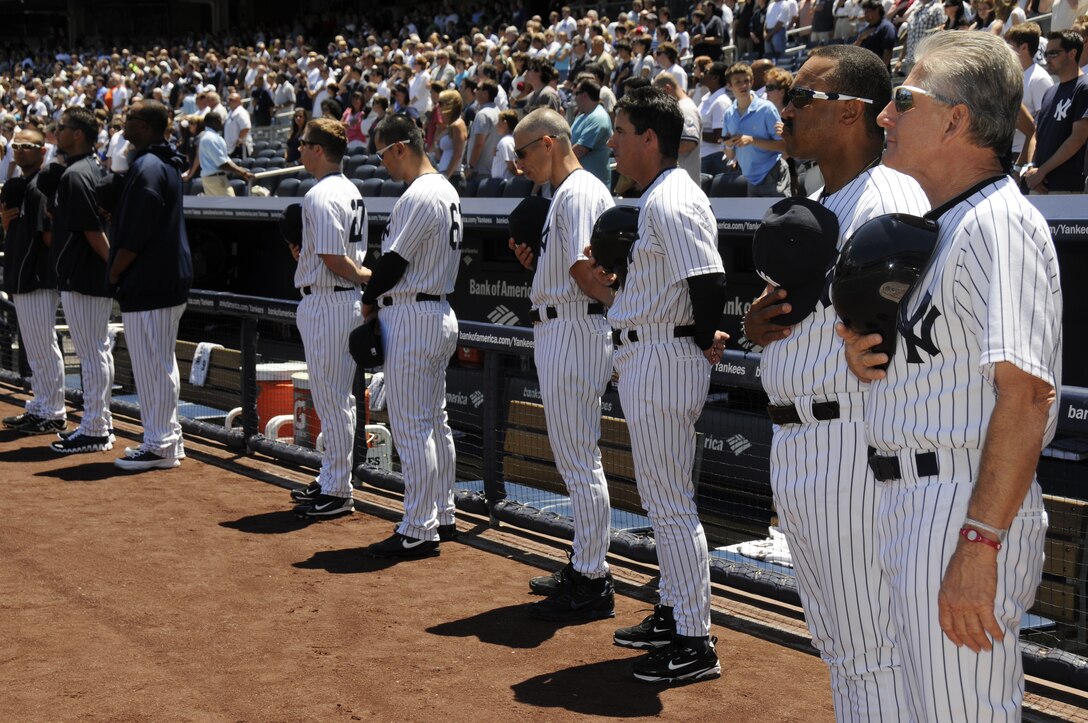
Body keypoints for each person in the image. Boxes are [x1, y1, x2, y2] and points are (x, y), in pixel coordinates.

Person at [839, 31, 1062, 720]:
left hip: (958, 504)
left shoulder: (1000, 223)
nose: (885, 114)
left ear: (957, 119)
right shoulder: (947, 225)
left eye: (903, 100)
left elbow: (1025, 395)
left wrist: (979, 543)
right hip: (913, 497)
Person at [742, 44, 929, 720]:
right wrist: (755, 325)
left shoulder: (889, 198)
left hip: (851, 439)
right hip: (802, 442)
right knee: (839, 643)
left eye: (801, 97)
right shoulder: (822, 200)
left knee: (870, 646)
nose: (785, 108)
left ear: (852, 112)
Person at [596, 86, 729, 684]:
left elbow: (709, 285)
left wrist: (701, 337)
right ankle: (675, 611)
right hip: (652, 352)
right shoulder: (660, 197)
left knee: (672, 507)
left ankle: (695, 638)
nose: (613, 143)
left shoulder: (672, 199)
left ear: (652, 138)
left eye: (621, 131)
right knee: (663, 504)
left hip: (663, 355)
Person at [505, 108, 617, 621]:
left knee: (579, 460)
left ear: (548, 143)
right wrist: (540, 268)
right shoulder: (569, 194)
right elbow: (571, 266)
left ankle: (593, 576)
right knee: (576, 458)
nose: (518, 163)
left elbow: (585, 272)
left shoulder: (576, 190)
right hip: (566, 323)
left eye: (523, 152)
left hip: (574, 326)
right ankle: (585, 563)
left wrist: (623, 315)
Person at [363, 114, 462, 558]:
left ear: (401, 147)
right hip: (433, 309)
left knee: (412, 424)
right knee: (434, 421)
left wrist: (367, 298)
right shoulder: (444, 188)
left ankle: (419, 527)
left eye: (382, 153)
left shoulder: (421, 192)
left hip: (412, 314)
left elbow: (392, 264)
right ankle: (442, 513)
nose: (382, 162)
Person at [287, 118, 371, 517]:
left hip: (329, 301)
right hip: (336, 299)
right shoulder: (350, 189)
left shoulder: (320, 194)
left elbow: (334, 258)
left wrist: (362, 275)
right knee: (336, 397)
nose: (299, 150)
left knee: (332, 398)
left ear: (319, 150)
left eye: (304, 144)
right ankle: (331, 477)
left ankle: (338, 489)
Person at [106, 100, 193, 470]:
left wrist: (114, 271)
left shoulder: (149, 165)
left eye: (129, 119)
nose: (123, 124)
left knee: (154, 365)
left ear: (143, 126)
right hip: (162, 277)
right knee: (159, 363)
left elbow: (137, 232)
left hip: (151, 278)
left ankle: (160, 444)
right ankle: (166, 439)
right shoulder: (157, 162)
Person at [48, 106, 115, 454]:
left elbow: (91, 230)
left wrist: (113, 266)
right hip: (89, 277)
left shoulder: (76, 175)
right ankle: (99, 422)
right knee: (98, 351)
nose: (56, 133)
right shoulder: (90, 170)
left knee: (92, 354)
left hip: (84, 277)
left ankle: (95, 428)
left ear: (77, 134)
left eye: (62, 128)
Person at [0, 127, 67, 436]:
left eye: (28, 146)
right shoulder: (21, 185)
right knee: (35, 346)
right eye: (17, 145)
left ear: (43, 151)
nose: (20, 150)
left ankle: (54, 411)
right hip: (22, 275)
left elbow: (49, 237)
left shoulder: (40, 186)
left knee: (43, 345)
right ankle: (41, 405)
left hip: (38, 278)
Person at [1025, 30, 1088, 194]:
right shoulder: (1050, 91)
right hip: (1039, 184)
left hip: (1066, 185)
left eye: (1053, 53)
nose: (1047, 59)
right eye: (1046, 54)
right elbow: (1036, 133)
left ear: (1072, 53)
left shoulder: (1084, 88)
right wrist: (1032, 168)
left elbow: (1078, 138)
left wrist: (1042, 171)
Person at [721, 63, 789, 196]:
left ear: (752, 82)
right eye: (738, 82)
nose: (743, 85)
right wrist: (728, 145)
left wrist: (752, 140)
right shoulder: (728, 114)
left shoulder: (767, 109)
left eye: (746, 81)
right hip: (750, 180)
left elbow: (784, 146)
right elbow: (730, 155)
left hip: (773, 174)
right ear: (729, 86)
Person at [653, 73, 703, 185]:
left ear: (667, 88)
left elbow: (689, 143)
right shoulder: (679, 107)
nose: (659, 100)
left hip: (685, 184)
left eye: (660, 95)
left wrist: (658, 150)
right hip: (677, 182)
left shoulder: (685, 109)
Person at [192, 112, 254, 196]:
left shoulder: (212, 137)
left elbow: (226, 159)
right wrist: (242, 172)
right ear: (216, 121)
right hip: (215, 179)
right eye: (221, 120)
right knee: (230, 205)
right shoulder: (210, 138)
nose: (222, 123)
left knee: (217, 208)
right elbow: (222, 164)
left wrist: (240, 170)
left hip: (214, 178)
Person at [569, 77, 613, 187]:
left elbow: (579, 151)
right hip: (579, 184)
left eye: (576, 93)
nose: (575, 98)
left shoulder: (598, 117)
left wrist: (553, 163)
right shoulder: (583, 115)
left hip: (593, 187)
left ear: (584, 95)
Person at [698, 62, 733, 175]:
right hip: (704, 156)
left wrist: (695, 134)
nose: (702, 74)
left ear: (715, 78)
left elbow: (718, 137)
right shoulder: (707, 100)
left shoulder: (721, 101)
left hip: (713, 158)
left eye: (706, 72)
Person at [435, 89, 468, 194]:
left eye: (440, 103)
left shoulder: (457, 125)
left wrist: (446, 176)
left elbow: (457, 154)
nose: (438, 106)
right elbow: (439, 153)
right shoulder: (450, 126)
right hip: (447, 175)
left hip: (453, 177)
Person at [467, 80, 501, 180]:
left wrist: (471, 167)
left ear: (485, 93)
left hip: (479, 172)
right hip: (492, 171)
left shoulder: (483, 114)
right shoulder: (498, 111)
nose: (474, 90)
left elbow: (479, 144)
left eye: (477, 89)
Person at [854, 0, 897, 69]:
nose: (865, 13)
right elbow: (853, 50)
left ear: (877, 10)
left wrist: (882, 71)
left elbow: (888, 52)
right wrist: (860, 39)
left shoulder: (887, 27)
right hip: (865, 72)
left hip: (879, 73)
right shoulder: (865, 29)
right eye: (864, 11)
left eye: (867, 11)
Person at [491, 109, 520, 181]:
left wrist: (524, 174)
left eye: (499, 122)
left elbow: (511, 167)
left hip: (504, 184)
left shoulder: (506, 141)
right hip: (499, 183)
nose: (496, 125)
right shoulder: (506, 140)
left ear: (505, 123)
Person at [224, 92, 253, 159]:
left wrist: (239, 139)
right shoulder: (231, 112)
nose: (229, 102)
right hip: (231, 148)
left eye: (232, 100)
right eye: (229, 100)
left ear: (238, 101)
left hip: (240, 146)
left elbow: (246, 127)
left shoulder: (241, 112)